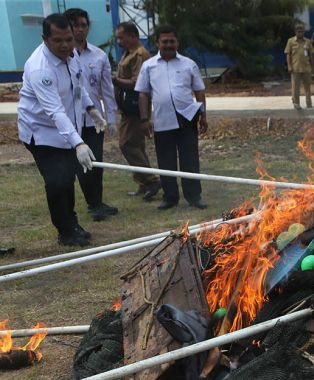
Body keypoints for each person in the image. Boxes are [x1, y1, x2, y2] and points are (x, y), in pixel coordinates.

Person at [17, 14, 104, 246]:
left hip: (66, 128)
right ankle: (65, 231)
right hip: (41, 131)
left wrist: (91, 108)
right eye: (58, 40)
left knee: (68, 177)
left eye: (68, 39)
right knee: (57, 180)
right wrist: (79, 143)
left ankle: (72, 223)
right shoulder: (40, 69)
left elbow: (78, 85)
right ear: (45, 39)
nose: (65, 45)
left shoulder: (71, 53)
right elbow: (54, 111)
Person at [135, 25, 208, 210]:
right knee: (165, 161)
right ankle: (170, 197)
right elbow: (143, 94)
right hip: (162, 120)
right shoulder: (149, 66)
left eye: (172, 41)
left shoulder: (188, 64)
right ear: (158, 43)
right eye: (164, 41)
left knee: (189, 159)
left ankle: (194, 196)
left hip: (187, 118)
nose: (168, 45)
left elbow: (199, 90)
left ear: (177, 43)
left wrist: (203, 116)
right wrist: (144, 120)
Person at [64, 8, 118, 222]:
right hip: (71, 121)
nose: (80, 29)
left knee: (97, 162)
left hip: (94, 119)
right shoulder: (64, 55)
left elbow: (107, 90)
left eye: (84, 25)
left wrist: (111, 119)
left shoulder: (99, 55)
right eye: (76, 25)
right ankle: (92, 203)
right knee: (81, 164)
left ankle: (98, 201)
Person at [112, 22, 161, 201]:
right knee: (136, 145)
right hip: (127, 106)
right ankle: (143, 182)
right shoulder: (128, 53)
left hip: (135, 107)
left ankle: (151, 180)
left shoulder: (141, 55)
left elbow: (137, 83)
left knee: (126, 144)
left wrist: (115, 81)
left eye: (121, 37)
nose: (119, 41)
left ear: (133, 36)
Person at [285, 23, 314, 110]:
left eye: (302, 32)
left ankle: (309, 103)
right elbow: (288, 55)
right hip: (295, 68)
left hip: (306, 68)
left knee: (308, 87)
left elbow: (311, 55)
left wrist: (313, 67)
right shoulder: (291, 41)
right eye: (298, 32)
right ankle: (296, 103)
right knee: (295, 87)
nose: (300, 33)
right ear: (295, 32)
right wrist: (289, 66)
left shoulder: (308, 42)